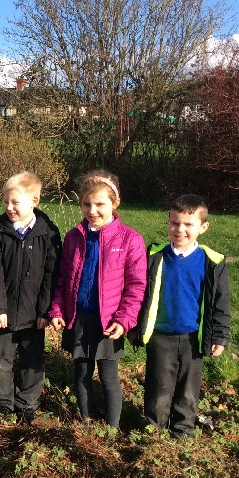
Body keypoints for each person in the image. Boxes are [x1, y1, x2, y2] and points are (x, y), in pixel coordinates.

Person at [48, 169, 146, 428]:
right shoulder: (73, 237)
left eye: (100, 204)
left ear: (115, 204)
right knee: (81, 372)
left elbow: (136, 286)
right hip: (79, 317)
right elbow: (62, 278)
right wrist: (57, 310)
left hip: (109, 322)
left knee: (108, 376)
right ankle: (86, 419)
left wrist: (124, 320)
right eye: (86, 204)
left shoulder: (129, 239)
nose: (93, 210)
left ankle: (112, 428)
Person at [132, 194, 230, 437]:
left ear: (203, 227)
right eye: (175, 223)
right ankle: (154, 430)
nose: (180, 229)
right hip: (161, 336)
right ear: (168, 223)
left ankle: (183, 431)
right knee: (158, 386)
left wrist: (220, 335)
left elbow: (221, 303)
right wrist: (135, 325)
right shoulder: (155, 256)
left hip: (192, 338)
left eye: (188, 224)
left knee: (188, 388)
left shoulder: (212, 262)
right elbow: (140, 292)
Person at [0, 171, 61, 424]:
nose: (9, 207)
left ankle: (27, 402)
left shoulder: (48, 234)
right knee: (0, 358)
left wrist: (44, 311)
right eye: (6, 201)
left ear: (34, 201)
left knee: (32, 359)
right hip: (2, 312)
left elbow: (51, 275)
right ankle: (2, 402)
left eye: (15, 202)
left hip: (33, 312)